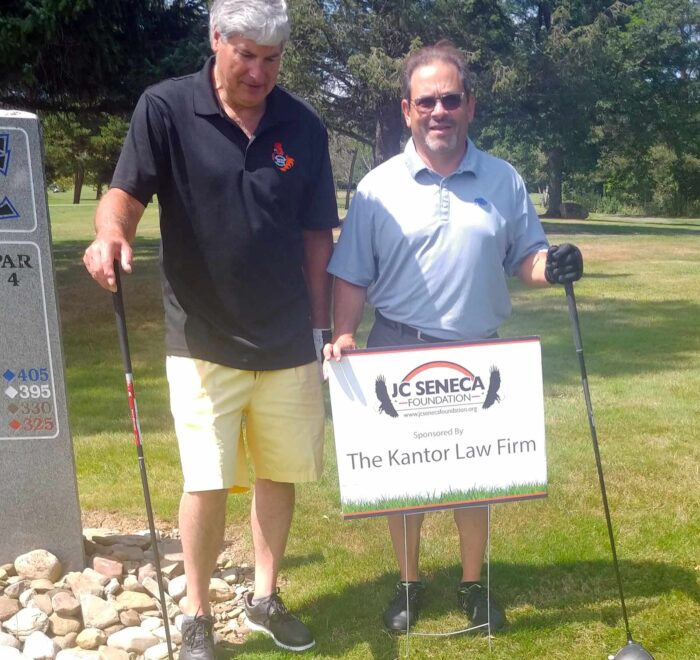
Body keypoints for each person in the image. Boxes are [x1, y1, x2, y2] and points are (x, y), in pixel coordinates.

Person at [83, 0, 338, 656]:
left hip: (286, 340)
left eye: (272, 59)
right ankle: (196, 611)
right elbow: (125, 193)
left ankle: (265, 595)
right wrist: (110, 235)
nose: (259, 72)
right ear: (216, 40)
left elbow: (317, 235)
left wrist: (323, 326)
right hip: (201, 339)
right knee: (207, 478)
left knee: (279, 475)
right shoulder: (165, 108)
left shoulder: (302, 124)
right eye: (246, 56)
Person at [324, 41, 583, 634]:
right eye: (426, 102)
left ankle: (473, 585)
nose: (438, 111)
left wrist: (554, 265)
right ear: (406, 109)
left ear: (469, 104)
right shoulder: (377, 187)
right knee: (403, 476)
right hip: (395, 346)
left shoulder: (503, 177)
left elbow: (527, 256)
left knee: (474, 474)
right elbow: (350, 272)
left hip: (478, 350)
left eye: (449, 99)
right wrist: (343, 333)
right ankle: (409, 584)